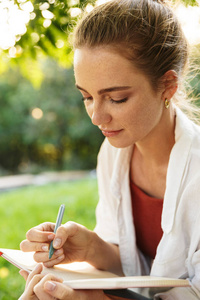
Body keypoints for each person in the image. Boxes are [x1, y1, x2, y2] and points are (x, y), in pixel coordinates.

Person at [19, 0, 200, 299]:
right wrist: (93, 248)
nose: (96, 117)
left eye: (116, 98)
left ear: (168, 85)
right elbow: (134, 271)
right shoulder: (113, 154)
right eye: (87, 97)